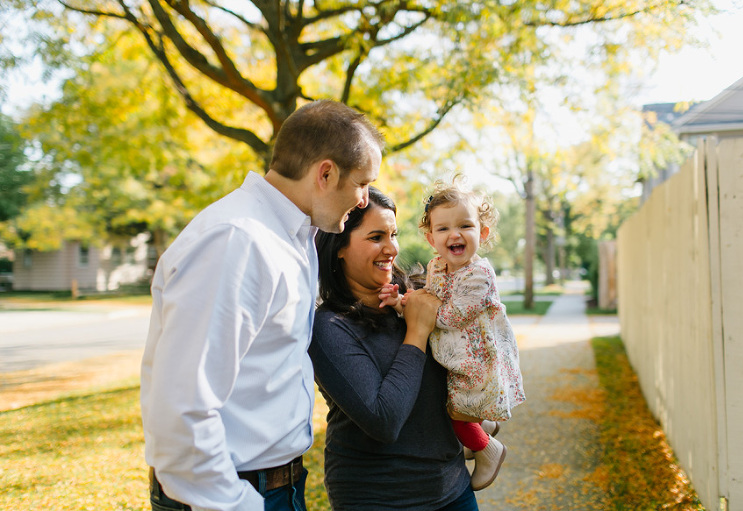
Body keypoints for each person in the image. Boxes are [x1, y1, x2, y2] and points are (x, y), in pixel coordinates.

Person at [140, 99, 383, 511]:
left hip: (277, 487)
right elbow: (182, 407)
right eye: (362, 183)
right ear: (325, 173)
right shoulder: (237, 240)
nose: (364, 200)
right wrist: (240, 505)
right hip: (230, 496)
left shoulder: (294, 238)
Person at [309, 187, 479, 510]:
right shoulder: (329, 327)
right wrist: (416, 332)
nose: (391, 248)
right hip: (379, 498)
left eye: (394, 234)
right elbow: (384, 420)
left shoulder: (418, 296)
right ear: (339, 246)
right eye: (376, 237)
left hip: (452, 490)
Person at [380, 177, 525, 491]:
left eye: (465, 226)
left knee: (455, 413)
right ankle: (483, 425)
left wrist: (417, 305)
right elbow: (428, 302)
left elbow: (448, 315)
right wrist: (401, 302)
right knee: (457, 405)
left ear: (482, 233)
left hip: (478, 357)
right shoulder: (436, 266)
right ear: (431, 238)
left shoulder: (479, 274)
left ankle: (488, 449)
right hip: (454, 354)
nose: (454, 234)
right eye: (443, 228)